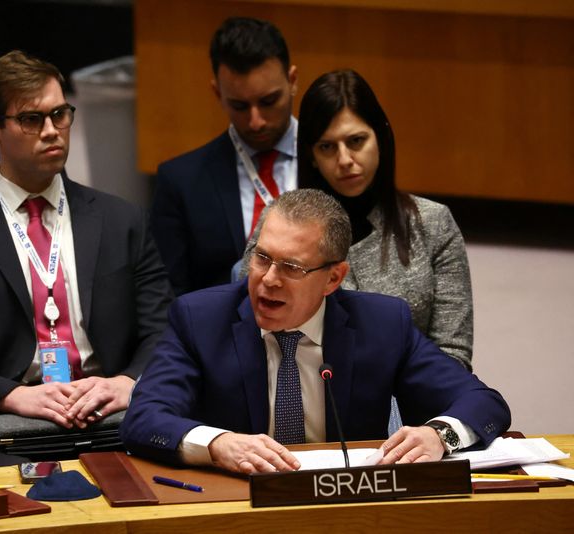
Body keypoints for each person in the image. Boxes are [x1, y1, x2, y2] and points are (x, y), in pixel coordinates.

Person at [0, 50, 173, 469]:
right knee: (39, 501)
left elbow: (163, 328)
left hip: (108, 416)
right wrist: (12, 395)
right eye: (31, 119)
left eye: (60, 114)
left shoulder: (123, 220)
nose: (51, 131)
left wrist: (126, 383)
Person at [121, 189, 510, 474]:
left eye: (291, 267)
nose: (267, 280)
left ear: (333, 278)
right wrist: (217, 443)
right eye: (262, 258)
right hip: (239, 506)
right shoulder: (201, 318)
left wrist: (439, 436)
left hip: (347, 508)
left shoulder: (382, 324)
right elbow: (144, 418)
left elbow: (483, 402)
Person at [297, 69, 473, 369]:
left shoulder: (434, 224)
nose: (344, 160)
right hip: (308, 398)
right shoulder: (282, 227)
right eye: (327, 147)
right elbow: (260, 338)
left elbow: (453, 354)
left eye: (356, 141)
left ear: (381, 137)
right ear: (312, 156)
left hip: (412, 402)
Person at [151, 16, 303, 295]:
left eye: (269, 101)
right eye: (239, 106)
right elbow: (166, 296)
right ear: (217, 93)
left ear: (292, 81)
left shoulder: (335, 163)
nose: (256, 121)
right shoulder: (181, 182)